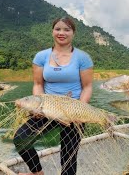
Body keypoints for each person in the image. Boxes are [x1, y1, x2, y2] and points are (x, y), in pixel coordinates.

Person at [13, 17, 94, 175]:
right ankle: (37, 172)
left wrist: (80, 110)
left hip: (73, 111)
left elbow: (87, 87)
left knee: (68, 157)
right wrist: (37, 106)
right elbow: (38, 84)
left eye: (66, 29)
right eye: (58, 29)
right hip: (47, 109)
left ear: (73, 33)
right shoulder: (41, 57)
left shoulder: (83, 58)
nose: (61, 33)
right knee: (21, 138)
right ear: (52, 32)